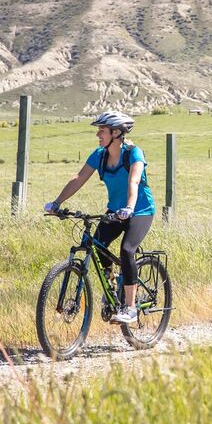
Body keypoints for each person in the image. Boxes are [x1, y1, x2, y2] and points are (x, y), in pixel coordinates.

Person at [43, 111, 155, 324]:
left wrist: (129, 208)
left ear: (116, 133)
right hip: (115, 210)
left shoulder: (134, 154)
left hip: (140, 211)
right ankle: (112, 287)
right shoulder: (99, 155)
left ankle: (131, 308)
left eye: (102, 131)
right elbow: (79, 178)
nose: (98, 135)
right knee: (97, 245)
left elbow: (133, 182)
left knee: (127, 250)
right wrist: (57, 203)